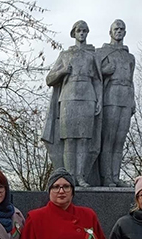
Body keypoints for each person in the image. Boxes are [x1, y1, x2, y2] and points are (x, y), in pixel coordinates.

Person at [42, 20, 102, 187]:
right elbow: (49, 79)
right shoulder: (65, 55)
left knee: (83, 139)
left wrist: (99, 100)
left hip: (88, 98)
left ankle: (81, 176)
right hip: (68, 99)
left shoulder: (92, 55)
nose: (82, 34)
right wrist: (62, 71)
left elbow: (98, 81)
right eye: (79, 31)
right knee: (69, 140)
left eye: (84, 31)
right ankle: (69, 178)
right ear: (74, 33)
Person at [96, 19, 136, 187]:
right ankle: (106, 178)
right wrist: (104, 71)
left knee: (120, 139)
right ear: (110, 32)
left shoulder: (129, 56)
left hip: (126, 96)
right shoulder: (102, 52)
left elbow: (131, 79)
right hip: (110, 95)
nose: (119, 31)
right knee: (109, 139)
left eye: (122, 29)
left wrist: (133, 99)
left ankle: (115, 176)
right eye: (116, 29)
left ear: (125, 32)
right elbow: (94, 74)